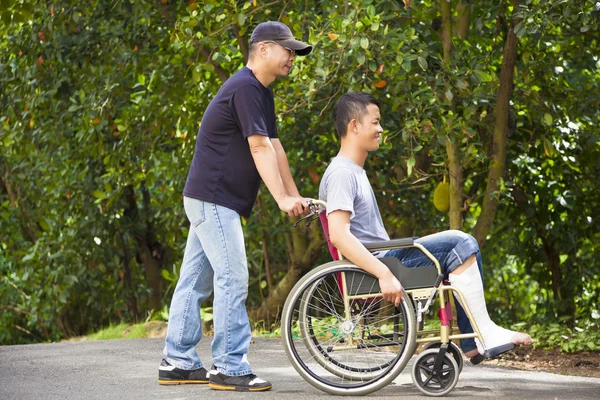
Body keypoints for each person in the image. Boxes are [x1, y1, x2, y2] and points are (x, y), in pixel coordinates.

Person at [318, 92, 533, 358]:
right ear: (354, 125)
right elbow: (339, 235)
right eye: (375, 122)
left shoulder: (353, 171)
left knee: (462, 244)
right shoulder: (342, 173)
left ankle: (474, 341)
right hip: (376, 266)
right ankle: (482, 334)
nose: (380, 129)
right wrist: (384, 275)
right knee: (462, 242)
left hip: (383, 257)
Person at [158, 21, 312, 391]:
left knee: (196, 279)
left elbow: (275, 147)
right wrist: (281, 200)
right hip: (214, 197)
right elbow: (258, 148)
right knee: (232, 276)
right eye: (287, 49)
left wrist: (295, 194)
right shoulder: (245, 87)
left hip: (211, 198)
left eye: (294, 52)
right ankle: (229, 365)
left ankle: (178, 361)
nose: (292, 57)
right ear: (263, 49)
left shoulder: (260, 93)